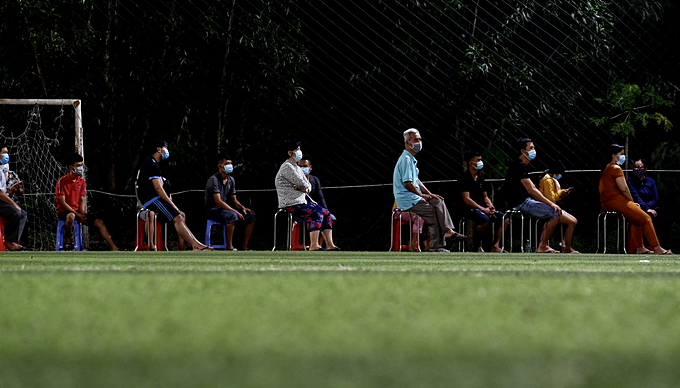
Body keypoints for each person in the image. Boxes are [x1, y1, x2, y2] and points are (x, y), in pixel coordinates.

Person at [393, 128, 465, 252]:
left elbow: (417, 180)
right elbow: (408, 183)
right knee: (435, 213)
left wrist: (429, 194)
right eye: (416, 139)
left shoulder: (411, 159)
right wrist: (421, 195)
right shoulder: (405, 159)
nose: (419, 142)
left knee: (438, 201)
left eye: (420, 139)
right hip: (408, 200)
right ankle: (435, 246)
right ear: (407, 142)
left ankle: (448, 231)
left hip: (415, 197)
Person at [504, 137, 578, 253]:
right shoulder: (519, 166)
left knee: (570, 220)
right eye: (531, 148)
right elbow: (531, 190)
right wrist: (550, 204)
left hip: (524, 200)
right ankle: (542, 246)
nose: (534, 150)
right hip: (521, 202)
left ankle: (562, 246)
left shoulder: (521, 166)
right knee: (554, 212)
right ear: (523, 151)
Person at [136, 139, 212, 251]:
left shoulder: (152, 163)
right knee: (177, 217)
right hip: (151, 200)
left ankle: (195, 244)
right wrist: (173, 205)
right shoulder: (152, 164)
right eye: (166, 148)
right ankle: (196, 245)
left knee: (180, 216)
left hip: (152, 199)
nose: (167, 151)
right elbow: (158, 189)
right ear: (159, 149)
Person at [599, 145, 671, 254]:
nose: (624, 156)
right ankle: (657, 248)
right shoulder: (616, 168)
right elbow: (624, 189)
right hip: (615, 201)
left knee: (636, 220)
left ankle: (640, 248)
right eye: (621, 154)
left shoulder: (607, 167)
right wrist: (632, 202)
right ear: (614, 156)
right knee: (646, 218)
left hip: (608, 202)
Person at [275, 140, 339, 251]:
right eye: (297, 150)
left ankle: (330, 245)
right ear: (290, 153)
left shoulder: (295, 166)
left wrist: (304, 188)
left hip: (301, 201)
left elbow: (307, 186)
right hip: (291, 203)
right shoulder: (287, 167)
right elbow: (303, 183)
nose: (300, 151)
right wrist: (304, 187)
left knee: (326, 213)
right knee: (316, 214)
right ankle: (314, 245)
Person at [55, 153, 120, 251]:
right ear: (71, 168)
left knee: (99, 222)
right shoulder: (62, 181)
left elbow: (82, 200)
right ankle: (67, 238)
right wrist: (76, 213)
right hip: (65, 211)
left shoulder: (81, 182)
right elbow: (62, 202)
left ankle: (114, 247)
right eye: (78, 166)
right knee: (71, 216)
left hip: (77, 212)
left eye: (82, 165)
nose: (81, 168)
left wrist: (82, 213)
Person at [459, 150, 508, 252]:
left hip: (482, 207)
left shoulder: (480, 178)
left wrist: (491, 207)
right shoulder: (465, 178)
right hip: (469, 208)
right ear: (471, 162)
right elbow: (466, 199)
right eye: (478, 160)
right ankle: (478, 246)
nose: (481, 162)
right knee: (484, 218)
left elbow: (485, 197)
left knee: (504, 218)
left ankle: (495, 245)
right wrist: (483, 209)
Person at [205, 153, 256, 250]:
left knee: (251, 217)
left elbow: (233, 200)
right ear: (220, 166)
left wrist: (242, 208)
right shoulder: (213, 180)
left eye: (230, 163)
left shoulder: (231, 180)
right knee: (232, 216)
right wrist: (235, 211)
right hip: (213, 209)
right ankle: (229, 246)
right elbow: (218, 201)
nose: (230, 166)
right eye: (227, 163)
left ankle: (245, 246)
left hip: (224, 208)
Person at [627, 158, 672, 249]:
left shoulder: (651, 182)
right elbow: (636, 196)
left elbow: (655, 199)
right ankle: (646, 246)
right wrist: (646, 208)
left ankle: (665, 247)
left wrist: (650, 207)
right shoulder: (630, 181)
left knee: (666, 221)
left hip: (650, 208)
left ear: (645, 169)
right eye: (635, 167)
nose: (637, 170)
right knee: (645, 219)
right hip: (639, 208)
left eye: (639, 167)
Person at [537, 159, 578, 252]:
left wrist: (562, 194)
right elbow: (550, 198)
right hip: (547, 207)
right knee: (572, 222)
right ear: (556, 172)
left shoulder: (552, 180)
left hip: (552, 206)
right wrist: (560, 194)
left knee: (573, 221)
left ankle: (565, 244)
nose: (560, 175)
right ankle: (566, 247)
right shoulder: (547, 180)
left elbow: (554, 196)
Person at [298, 155, 336, 247]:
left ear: (310, 168)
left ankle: (327, 244)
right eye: (300, 166)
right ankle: (313, 244)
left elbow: (320, 198)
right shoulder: (294, 180)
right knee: (315, 216)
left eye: (305, 166)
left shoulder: (314, 180)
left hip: (313, 206)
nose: (302, 169)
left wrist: (325, 211)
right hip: (299, 207)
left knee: (330, 217)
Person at [0, 143, 28, 251]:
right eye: (4, 153)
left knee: (23, 214)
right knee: (16, 212)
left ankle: (12, 240)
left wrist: (11, 191)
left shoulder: (2, 169)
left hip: (2, 199)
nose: (7, 155)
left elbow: (3, 192)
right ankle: (8, 241)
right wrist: (14, 204)